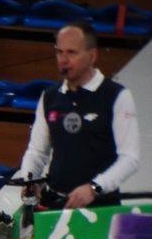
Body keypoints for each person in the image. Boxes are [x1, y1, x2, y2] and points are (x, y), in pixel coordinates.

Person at [17, 21, 139, 209]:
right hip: (55, 205)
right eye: (59, 52)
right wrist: (29, 180)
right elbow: (37, 151)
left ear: (92, 56)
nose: (63, 60)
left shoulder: (116, 96)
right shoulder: (49, 97)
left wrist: (94, 188)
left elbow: (130, 158)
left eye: (71, 53)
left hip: (100, 207)